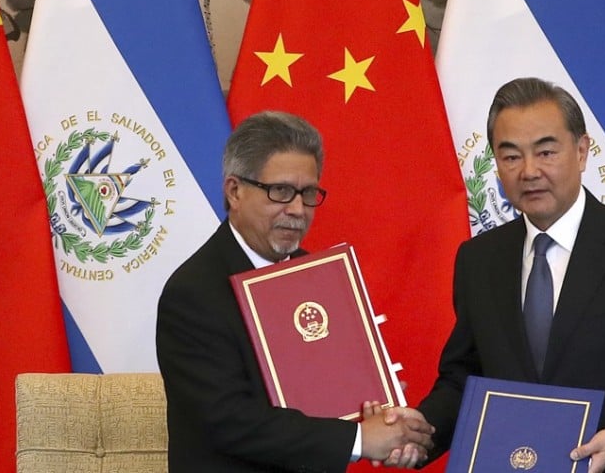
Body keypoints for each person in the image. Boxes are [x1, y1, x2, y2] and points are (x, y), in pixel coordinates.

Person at [383, 77, 605, 473]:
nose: (529, 171)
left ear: (581, 151)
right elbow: (465, 377)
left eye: (546, 151)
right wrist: (421, 431)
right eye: (510, 157)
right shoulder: (479, 259)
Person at [156, 110, 434, 472]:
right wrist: (361, 440)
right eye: (281, 191)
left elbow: (330, 387)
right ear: (235, 191)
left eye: (307, 193)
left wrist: (380, 415)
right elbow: (230, 421)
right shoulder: (193, 293)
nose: (298, 210)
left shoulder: (315, 274)